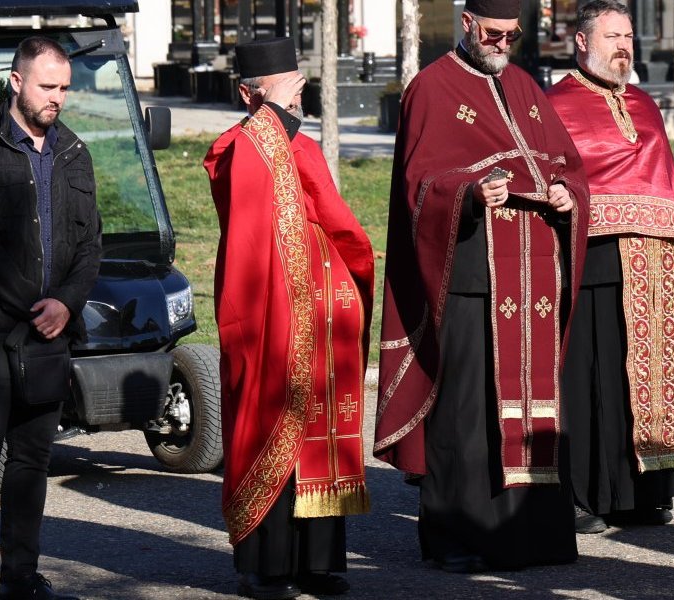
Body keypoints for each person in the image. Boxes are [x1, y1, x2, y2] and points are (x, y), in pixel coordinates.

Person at [374, 0, 590, 573]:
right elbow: (419, 186)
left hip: (535, 272)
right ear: (467, 23)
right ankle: (456, 537)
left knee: (541, 405)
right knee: (466, 413)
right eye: (494, 32)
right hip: (470, 273)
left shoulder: (525, 85)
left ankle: (535, 536)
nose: (503, 43)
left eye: (513, 35)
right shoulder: (432, 87)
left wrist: (569, 196)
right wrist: (470, 193)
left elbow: (566, 164)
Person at [203, 37, 375, 600]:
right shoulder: (237, 147)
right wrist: (275, 125)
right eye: (287, 83)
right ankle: (267, 565)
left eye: (298, 80)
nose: (299, 89)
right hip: (271, 308)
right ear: (251, 92)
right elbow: (250, 226)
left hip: (322, 312)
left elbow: (337, 218)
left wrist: (353, 270)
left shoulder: (298, 144)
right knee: (271, 419)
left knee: (320, 434)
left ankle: (319, 562)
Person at [545, 0, 674, 535]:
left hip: (655, 260)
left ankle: (647, 492)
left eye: (628, 38)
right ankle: (583, 495)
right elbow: (555, 177)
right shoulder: (555, 105)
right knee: (588, 377)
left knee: (648, 377)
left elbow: (663, 182)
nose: (624, 46)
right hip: (590, 258)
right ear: (582, 41)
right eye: (613, 36)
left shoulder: (643, 103)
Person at [0, 37, 101, 600]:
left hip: (50, 333)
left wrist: (67, 303)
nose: (57, 98)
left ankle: (19, 578)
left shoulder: (74, 153)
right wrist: (35, 304)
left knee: (33, 458)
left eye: (64, 88)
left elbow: (90, 244)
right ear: (16, 81)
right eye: (46, 86)